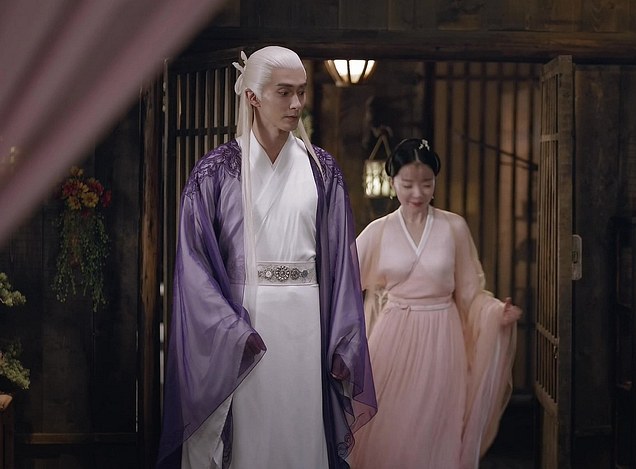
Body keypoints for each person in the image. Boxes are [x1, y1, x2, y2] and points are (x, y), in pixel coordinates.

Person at [156, 45, 376, 469]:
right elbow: (193, 263)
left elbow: (342, 267)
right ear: (252, 96)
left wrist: (343, 338)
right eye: (284, 92)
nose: (296, 104)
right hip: (245, 325)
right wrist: (228, 329)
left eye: (301, 91)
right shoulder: (216, 171)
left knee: (300, 425)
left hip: (306, 321)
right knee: (248, 432)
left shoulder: (322, 171)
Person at [350, 138, 522, 468]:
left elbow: (471, 293)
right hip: (393, 338)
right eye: (407, 184)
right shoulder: (378, 231)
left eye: (427, 184)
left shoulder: (453, 227)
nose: (417, 193)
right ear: (392, 181)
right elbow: (343, 284)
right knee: (391, 426)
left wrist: (495, 313)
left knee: (436, 427)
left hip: (442, 338)